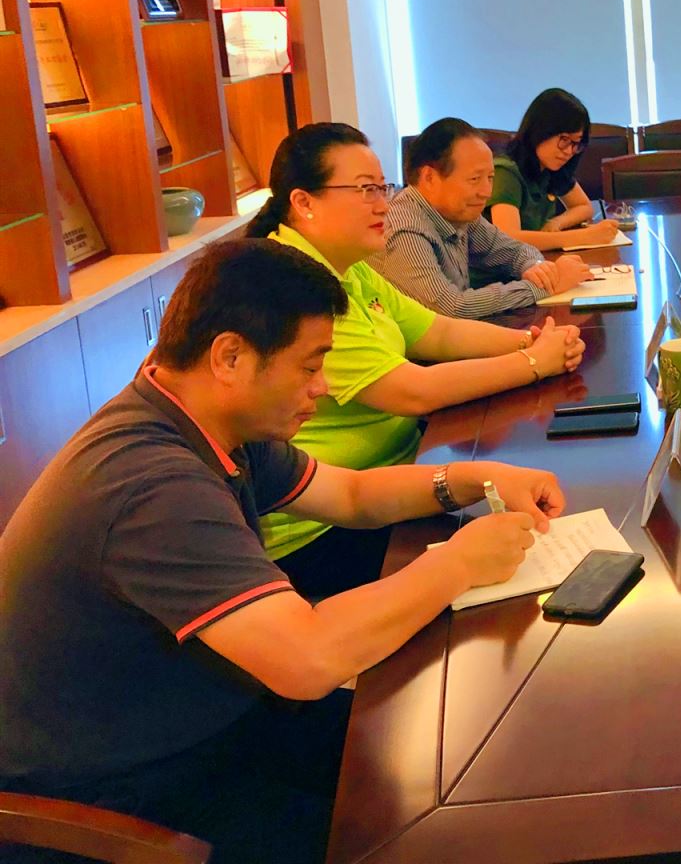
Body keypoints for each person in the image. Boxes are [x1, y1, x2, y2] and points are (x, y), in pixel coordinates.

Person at [0, 239, 562, 864]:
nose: (323, 386)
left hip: (210, 718)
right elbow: (308, 658)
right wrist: (457, 563)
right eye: (309, 366)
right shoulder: (152, 486)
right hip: (117, 795)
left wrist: (475, 478)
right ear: (230, 357)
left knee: (439, 749)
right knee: (421, 829)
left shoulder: (210, 420)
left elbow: (350, 495)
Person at [246, 122, 584, 597]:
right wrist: (534, 364)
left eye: (381, 188)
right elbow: (411, 391)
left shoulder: (347, 267)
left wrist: (530, 342)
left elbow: (438, 331)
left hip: (394, 480)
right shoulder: (292, 286)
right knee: (530, 562)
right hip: (323, 528)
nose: (383, 204)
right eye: (364, 190)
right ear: (304, 203)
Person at [376, 117, 590, 318]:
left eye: (490, 178)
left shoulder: (460, 213)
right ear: (429, 177)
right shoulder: (405, 229)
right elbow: (452, 308)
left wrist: (536, 267)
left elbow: (515, 251)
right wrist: (546, 286)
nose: (486, 192)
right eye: (475, 179)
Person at [489, 88, 619, 251]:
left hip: (533, 260)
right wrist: (584, 237)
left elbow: (584, 207)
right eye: (564, 139)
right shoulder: (506, 172)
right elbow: (508, 239)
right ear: (540, 130)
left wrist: (556, 222)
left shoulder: (550, 167)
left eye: (575, 143)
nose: (569, 151)